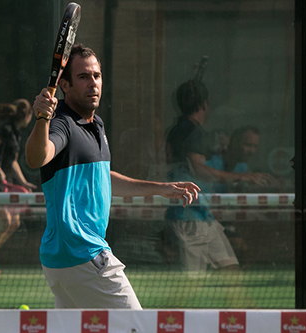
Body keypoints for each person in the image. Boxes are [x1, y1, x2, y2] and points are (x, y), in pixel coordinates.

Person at [24, 43, 200, 309]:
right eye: (83, 77)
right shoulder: (62, 123)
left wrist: (162, 188)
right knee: (138, 327)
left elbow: (102, 178)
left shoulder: (96, 125)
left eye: (96, 75)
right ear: (65, 85)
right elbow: (37, 157)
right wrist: (41, 119)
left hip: (62, 262)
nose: (92, 83)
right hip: (83, 255)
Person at [164, 80, 273, 274]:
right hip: (189, 217)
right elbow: (200, 171)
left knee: (230, 268)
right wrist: (242, 177)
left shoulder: (180, 130)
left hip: (203, 216)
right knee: (192, 284)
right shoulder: (191, 132)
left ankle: (240, 305)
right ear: (204, 104)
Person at [0, 100, 36, 278]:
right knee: (4, 220)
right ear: (27, 115)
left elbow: (12, 162)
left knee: (14, 222)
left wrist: (23, 182)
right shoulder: (4, 130)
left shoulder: (16, 135)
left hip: (6, 183)